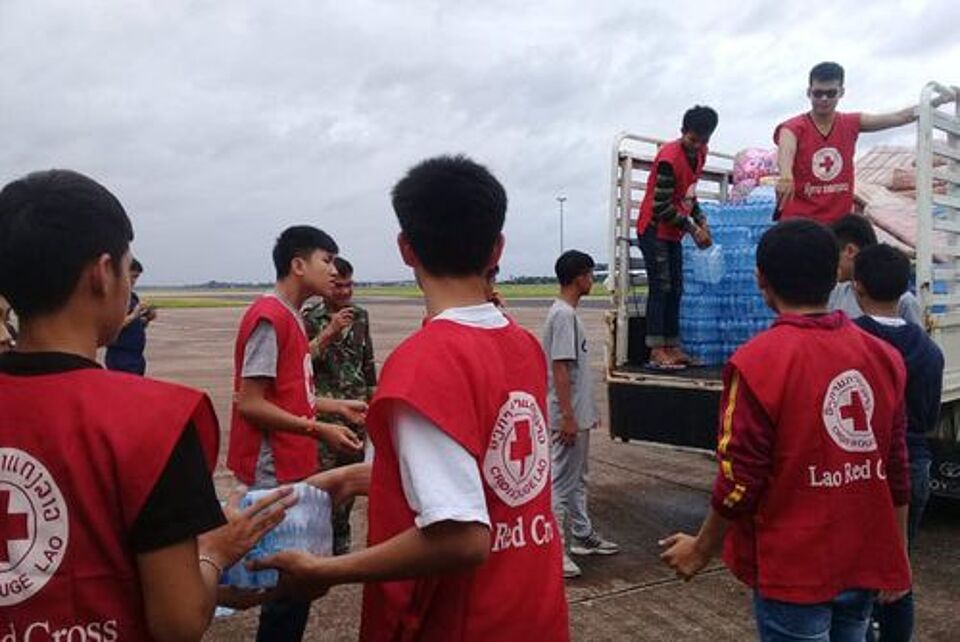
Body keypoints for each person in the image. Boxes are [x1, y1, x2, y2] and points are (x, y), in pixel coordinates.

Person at [252, 155, 570, 641]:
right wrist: (352, 479)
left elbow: (461, 537)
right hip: (533, 610)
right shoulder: (521, 344)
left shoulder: (424, 364)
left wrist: (325, 570)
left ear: (406, 249)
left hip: (462, 623)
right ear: (497, 248)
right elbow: (484, 473)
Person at [0, 169, 293, 641]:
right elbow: (178, 623)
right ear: (102, 274)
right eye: (126, 265)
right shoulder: (158, 421)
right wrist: (215, 553)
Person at [659, 219, 912, 641]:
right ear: (835, 274)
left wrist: (701, 550)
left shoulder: (756, 362)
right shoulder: (883, 356)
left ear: (761, 279)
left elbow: (740, 479)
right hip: (862, 560)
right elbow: (897, 470)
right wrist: (895, 556)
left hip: (794, 569)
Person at [227, 225, 365, 642]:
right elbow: (251, 402)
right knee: (286, 585)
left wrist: (335, 407)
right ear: (298, 265)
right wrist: (319, 428)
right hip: (272, 468)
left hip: (291, 460)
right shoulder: (269, 319)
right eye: (327, 260)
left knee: (292, 586)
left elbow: (287, 394)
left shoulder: (291, 317)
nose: (334, 271)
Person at [852, 243, 944, 642]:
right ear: (905, 288)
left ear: (857, 287)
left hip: (862, 467)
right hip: (916, 464)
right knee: (898, 568)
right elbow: (928, 415)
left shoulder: (851, 340)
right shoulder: (929, 351)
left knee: (856, 572)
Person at [774, 61, 956, 224]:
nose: (824, 99)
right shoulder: (793, 127)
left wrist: (938, 101)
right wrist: (786, 176)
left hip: (839, 224)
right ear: (809, 92)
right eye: (818, 93)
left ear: (841, 92)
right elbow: (786, 151)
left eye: (830, 93)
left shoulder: (851, 123)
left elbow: (899, 117)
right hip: (799, 223)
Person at [544, 249, 619, 579]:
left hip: (576, 413)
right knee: (561, 483)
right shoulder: (563, 316)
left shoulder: (567, 314)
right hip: (567, 416)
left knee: (577, 480)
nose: (592, 279)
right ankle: (554, 551)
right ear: (578, 278)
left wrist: (586, 411)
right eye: (589, 274)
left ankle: (582, 535)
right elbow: (560, 368)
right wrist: (568, 416)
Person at [302, 256, 377, 555]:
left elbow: (368, 363)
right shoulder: (309, 319)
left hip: (355, 413)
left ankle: (341, 547)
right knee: (320, 488)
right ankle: (315, 547)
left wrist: (373, 403)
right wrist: (329, 332)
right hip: (325, 416)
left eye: (349, 285)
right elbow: (299, 363)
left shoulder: (361, 316)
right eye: (338, 286)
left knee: (348, 489)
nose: (345, 292)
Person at [636, 105, 718, 369]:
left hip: (673, 229)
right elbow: (661, 206)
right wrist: (693, 229)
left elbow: (688, 194)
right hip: (654, 228)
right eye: (693, 139)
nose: (697, 145)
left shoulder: (700, 154)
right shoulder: (669, 159)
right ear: (683, 131)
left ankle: (672, 346)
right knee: (661, 287)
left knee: (676, 287)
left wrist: (702, 220)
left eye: (703, 140)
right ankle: (656, 350)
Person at [828, 214, 922, 325]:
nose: (831, 262)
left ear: (850, 251)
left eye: (833, 255)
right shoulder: (835, 293)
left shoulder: (903, 301)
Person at [105, 257, 155, 374]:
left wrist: (146, 319)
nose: (134, 281)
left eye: (136, 277)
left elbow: (133, 325)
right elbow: (112, 325)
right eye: (132, 276)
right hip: (120, 355)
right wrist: (134, 314)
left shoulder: (132, 296)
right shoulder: (114, 297)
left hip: (136, 355)